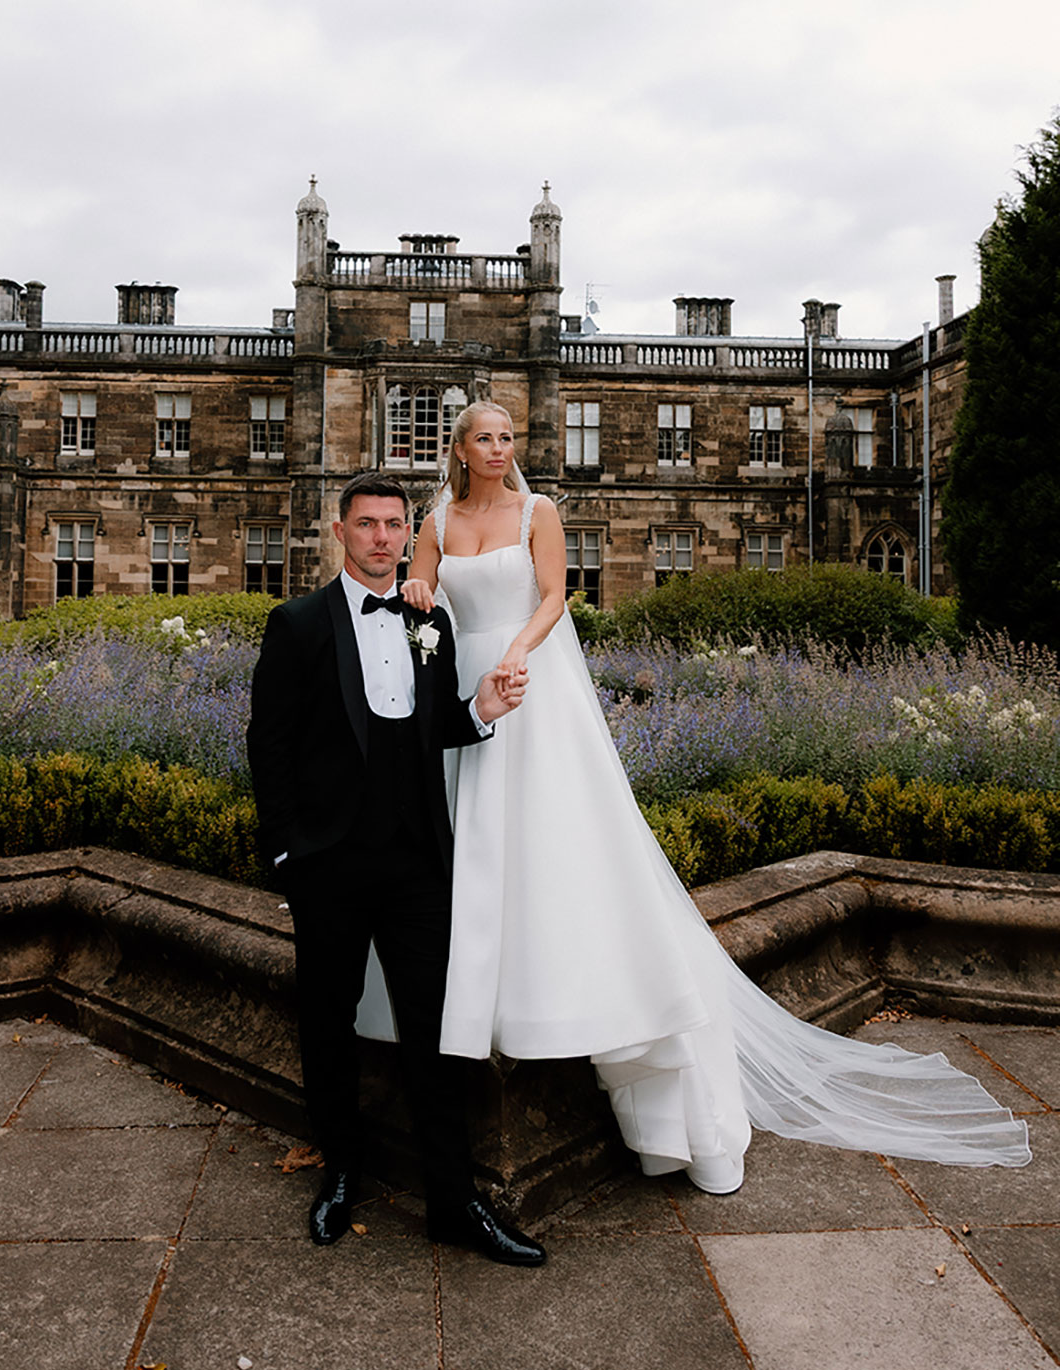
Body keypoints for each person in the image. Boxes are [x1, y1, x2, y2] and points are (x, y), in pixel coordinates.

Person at [397, 403, 1031, 1191]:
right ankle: (486, 987)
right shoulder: (436, 518)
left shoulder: (540, 509)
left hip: (532, 680)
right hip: (467, 693)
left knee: (558, 837)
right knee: (475, 834)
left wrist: (517, 654)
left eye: (506, 438)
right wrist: (421, 585)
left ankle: (641, 1061)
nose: (499, 449)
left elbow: (555, 596)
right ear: (459, 448)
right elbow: (418, 585)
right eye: (485, 437)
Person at [247, 470, 547, 1265]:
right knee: (327, 1022)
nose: (382, 537)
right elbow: (268, 747)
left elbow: (434, 726)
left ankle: (454, 1201)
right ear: (340, 531)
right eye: (367, 523)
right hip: (330, 863)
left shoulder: (433, 624)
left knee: (435, 1032)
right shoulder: (298, 623)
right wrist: (285, 854)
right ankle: (341, 1174)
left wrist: (481, 708)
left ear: (406, 533)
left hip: (417, 860)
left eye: (393, 524)